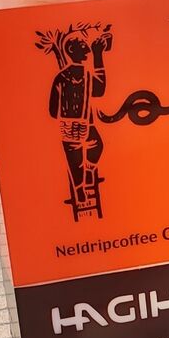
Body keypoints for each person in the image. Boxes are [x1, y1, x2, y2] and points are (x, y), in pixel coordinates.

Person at [48, 28, 111, 213]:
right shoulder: (80, 75)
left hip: (73, 124)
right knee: (90, 149)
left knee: (78, 157)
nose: (87, 48)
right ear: (72, 51)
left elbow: (53, 109)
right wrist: (99, 56)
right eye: (82, 46)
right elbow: (99, 90)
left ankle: (82, 184)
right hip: (80, 124)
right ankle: (83, 184)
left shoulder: (64, 76)